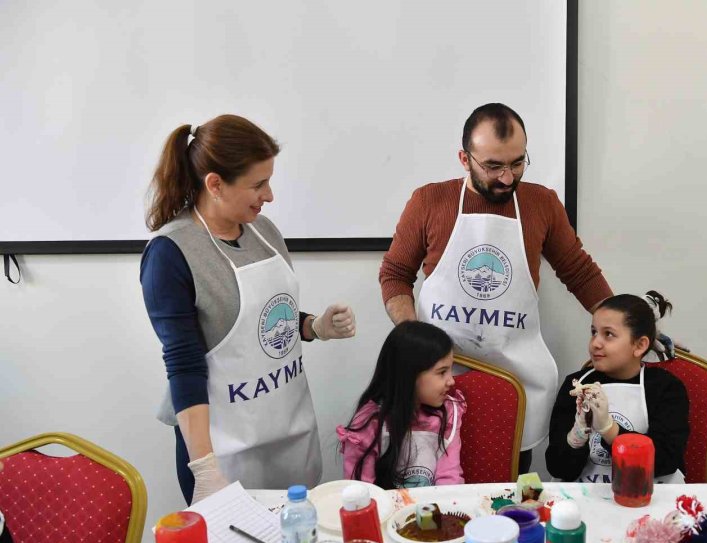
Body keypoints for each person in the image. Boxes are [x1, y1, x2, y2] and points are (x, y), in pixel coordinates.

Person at [379, 103, 613, 470]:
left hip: (516, 381)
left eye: (517, 163)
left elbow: (579, 272)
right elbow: (394, 274)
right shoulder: (429, 201)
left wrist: (629, 328)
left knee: (505, 489)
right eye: (493, 166)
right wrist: (413, 338)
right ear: (464, 158)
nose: (507, 178)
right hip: (437, 376)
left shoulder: (542, 204)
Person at [141, 115, 357, 504]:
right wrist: (204, 468)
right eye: (258, 185)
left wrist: (314, 326)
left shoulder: (263, 231)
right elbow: (184, 366)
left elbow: (268, 319)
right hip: (224, 449)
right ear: (215, 184)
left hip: (287, 430)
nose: (270, 195)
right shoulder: (171, 255)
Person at [545, 292, 689, 483]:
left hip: (650, 498)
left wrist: (609, 429)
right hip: (587, 496)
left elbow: (665, 461)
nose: (595, 343)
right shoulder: (576, 385)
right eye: (594, 332)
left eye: (609, 334)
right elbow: (559, 469)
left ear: (639, 345)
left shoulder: (666, 388)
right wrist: (577, 436)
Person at [337, 321, 466, 488]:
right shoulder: (369, 424)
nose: (452, 381)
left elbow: (450, 478)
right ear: (409, 375)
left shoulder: (447, 413)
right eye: (442, 372)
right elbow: (361, 492)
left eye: (450, 370)